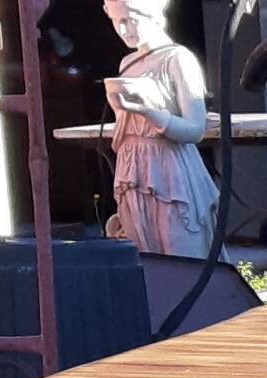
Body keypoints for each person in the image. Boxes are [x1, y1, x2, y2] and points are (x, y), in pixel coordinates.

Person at [101, 0, 216, 253]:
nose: (123, 30)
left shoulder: (178, 59)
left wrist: (148, 111)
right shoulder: (127, 64)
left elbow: (196, 130)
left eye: (130, 20)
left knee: (181, 255)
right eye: (116, 21)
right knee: (144, 254)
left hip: (170, 173)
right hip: (133, 171)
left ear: (151, 15)